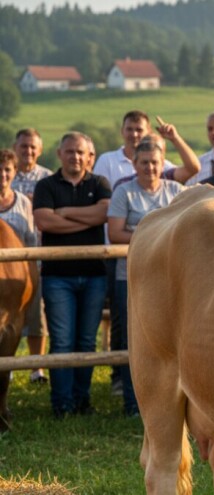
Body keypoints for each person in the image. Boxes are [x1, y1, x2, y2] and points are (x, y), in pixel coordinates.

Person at [33, 132, 111, 419]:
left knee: (87, 341)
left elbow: (103, 215)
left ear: (89, 156)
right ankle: (62, 404)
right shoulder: (46, 185)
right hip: (58, 276)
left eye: (80, 152)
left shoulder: (100, 183)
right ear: (59, 153)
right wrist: (84, 217)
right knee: (63, 340)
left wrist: (63, 213)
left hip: (93, 275)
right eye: (70, 152)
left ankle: (83, 400)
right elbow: (44, 222)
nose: (75, 157)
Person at [107, 139, 186, 416]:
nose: (150, 167)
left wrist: (145, 235)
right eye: (144, 162)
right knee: (137, 341)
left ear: (163, 163)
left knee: (170, 339)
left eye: (155, 162)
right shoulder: (123, 192)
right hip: (130, 277)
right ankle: (134, 403)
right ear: (134, 164)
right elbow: (115, 233)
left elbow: (187, 232)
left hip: (171, 279)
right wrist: (159, 237)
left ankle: (174, 404)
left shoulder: (178, 191)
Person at [11, 128, 51, 383]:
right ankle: (9, 365)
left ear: (40, 149)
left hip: (34, 254)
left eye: (32, 147)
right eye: (23, 146)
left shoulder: (48, 178)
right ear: (16, 147)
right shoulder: (6, 175)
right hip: (7, 260)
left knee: (37, 315)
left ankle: (37, 367)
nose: (28, 151)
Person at [93, 110, 200, 188]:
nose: (134, 134)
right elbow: (101, 198)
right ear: (122, 131)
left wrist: (175, 138)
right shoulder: (106, 160)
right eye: (129, 129)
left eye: (139, 130)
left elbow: (193, 168)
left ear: (149, 132)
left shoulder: (161, 165)